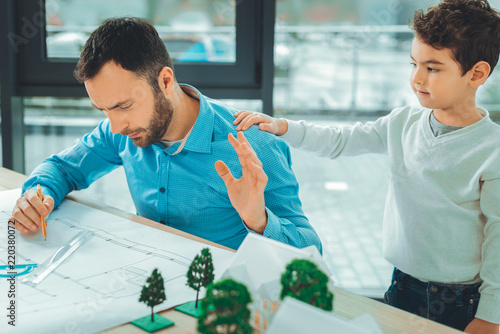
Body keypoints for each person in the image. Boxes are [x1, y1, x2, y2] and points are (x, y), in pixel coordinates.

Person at [233, 0, 500, 332]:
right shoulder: (402, 122)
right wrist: (282, 126)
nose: (416, 78)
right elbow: (342, 140)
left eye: (432, 68)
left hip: (462, 301)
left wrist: (490, 315)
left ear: (477, 73)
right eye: (413, 63)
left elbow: (498, 241)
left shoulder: (492, 149)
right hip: (402, 285)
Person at [9, 17, 322, 253]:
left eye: (124, 105)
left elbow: (312, 253)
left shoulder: (253, 144)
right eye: (103, 110)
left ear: (166, 81)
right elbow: (62, 168)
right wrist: (38, 195)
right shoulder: (122, 129)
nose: (115, 126)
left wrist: (259, 220)